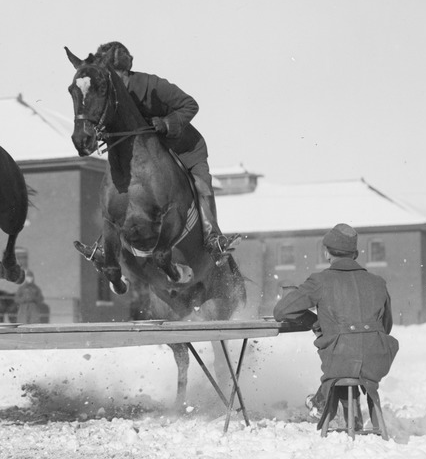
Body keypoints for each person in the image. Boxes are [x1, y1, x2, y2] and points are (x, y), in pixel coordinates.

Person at [73, 41, 234, 261]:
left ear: (124, 71)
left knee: (200, 185)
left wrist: (167, 122)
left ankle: (213, 237)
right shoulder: (111, 95)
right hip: (142, 155)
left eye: (114, 75)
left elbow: (190, 105)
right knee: (117, 193)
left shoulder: (152, 84)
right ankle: (104, 246)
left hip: (182, 148)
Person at [272, 223, 400, 423]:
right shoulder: (378, 282)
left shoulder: (320, 281)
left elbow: (281, 311)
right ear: (355, 254)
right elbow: (386, 326)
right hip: (377, 360)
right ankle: (346, 409)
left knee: (343, 355)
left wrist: (315, 322)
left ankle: (324, 401)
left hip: (340, 359)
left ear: (326, 253)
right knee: (352, 353)